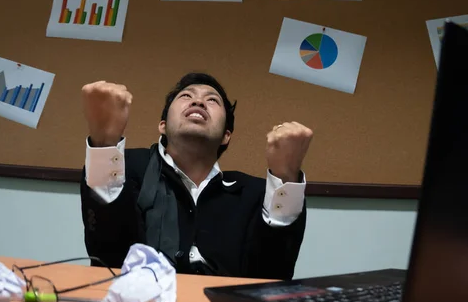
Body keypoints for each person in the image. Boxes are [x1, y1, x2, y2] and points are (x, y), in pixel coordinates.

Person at [79, 72, 313, 279]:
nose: (199, 101)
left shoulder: (255, 194)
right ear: (162, 125)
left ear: (226, 136)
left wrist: (286, 176)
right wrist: (104, 145)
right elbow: (107, 256)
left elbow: (273, 277)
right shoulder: (123, 167)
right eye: (186, 96)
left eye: (212, 100)